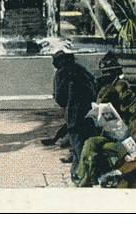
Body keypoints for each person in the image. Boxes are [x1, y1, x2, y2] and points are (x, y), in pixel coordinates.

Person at [75, 53, 136, 187]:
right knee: (90, 142)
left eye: (108, 73)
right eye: (104, 73)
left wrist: (118, 111)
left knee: (101, 146)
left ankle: (88, 176)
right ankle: (83, 175)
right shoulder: (105, 86)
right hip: (108, 133)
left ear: (115, 73)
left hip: (123, 136)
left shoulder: (122, 88)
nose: (105, 76)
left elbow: (131, 113)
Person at [52, 50, 97, 180]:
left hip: (74, 114)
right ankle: (83, 171)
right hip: (88, 112)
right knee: (85, 142)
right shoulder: (81, 70)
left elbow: (59, 97)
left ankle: (82, 174)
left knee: (77, 144)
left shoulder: (61, 73)